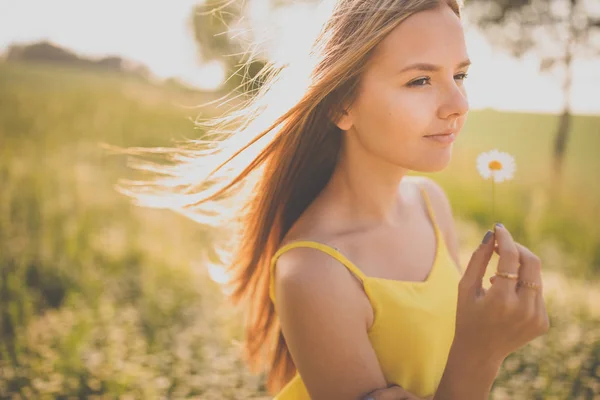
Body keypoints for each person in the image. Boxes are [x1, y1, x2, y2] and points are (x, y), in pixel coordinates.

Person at [118, 0, 549, 398]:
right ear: (342, 105)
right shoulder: (313, 272)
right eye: (420, 80)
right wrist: (481, 352)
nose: (458, 104)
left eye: (459, 75)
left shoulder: (430, 204)